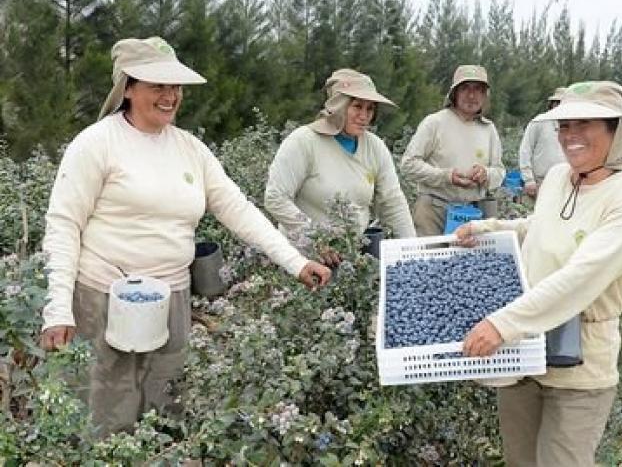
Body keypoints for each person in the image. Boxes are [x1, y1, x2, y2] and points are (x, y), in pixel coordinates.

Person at [39, 37, 331, 436]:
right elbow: (63, 224)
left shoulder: (189, 149)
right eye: (157, 85)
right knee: (106, 417)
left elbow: (238, 208)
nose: (170, 96)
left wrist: (295, 262)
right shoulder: (96, 144)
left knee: (166, 410)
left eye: (174, 87)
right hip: (102, 297)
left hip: (171, 299)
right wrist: (58, 308)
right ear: (128, 88)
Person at [455, 81, 622, 466]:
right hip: (522, 352)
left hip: (578, 365)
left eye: (585, 124)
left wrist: (501, 324)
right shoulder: (560, 177)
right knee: (521, 460)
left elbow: (580, 278)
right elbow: (540, 227)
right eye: (564, 125)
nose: (570, 136)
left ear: (615, 131)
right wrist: (488, 229)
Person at [264, 68, 415, 265]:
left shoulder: (374, 147)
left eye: (370, 109)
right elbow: (276, 198)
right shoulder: (304, 141)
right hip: (302, 261)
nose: (364, 116)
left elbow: (393, 203)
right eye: (357, 106)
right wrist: (315, 239)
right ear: (339, 107)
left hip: (350, 261)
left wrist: (413, 252)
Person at [400, 65, 505, 236]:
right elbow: (408, 164)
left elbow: (499, 172)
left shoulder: (488, 129)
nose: (471, 95)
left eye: (478, 89)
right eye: (465, 88)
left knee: (468, 263)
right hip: (434, 212)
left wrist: (486, 174)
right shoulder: (434, 123)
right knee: (431, 261)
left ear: (485, 95)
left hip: (472, 213)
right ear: (454, 93)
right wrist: (446, 177)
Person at [518, 87, 567, 199]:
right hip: (541, 182)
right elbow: (525, 151)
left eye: (564, 103)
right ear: (552, 105)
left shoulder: (573, 126)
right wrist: (529, 180)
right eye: (557, 103)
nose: (560, 106)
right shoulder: (539, 122)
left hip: (566, 182)